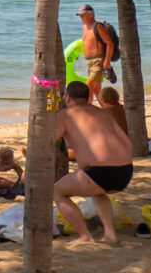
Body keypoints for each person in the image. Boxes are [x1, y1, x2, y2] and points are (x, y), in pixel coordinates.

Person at [53, 81, 134, 244]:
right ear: (87, 96)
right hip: (126, 171)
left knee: (56, 191)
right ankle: (110, 235)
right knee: (97, 192)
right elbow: (128, 142)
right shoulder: (101, 112)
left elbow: (49, 139)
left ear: (67, 98)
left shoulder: (66, 114)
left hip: (99, 172)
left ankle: (85, 236)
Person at [69, 4, 120, 85]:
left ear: (90, 14)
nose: (81, 17)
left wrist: (107, 62)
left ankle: (109, 70)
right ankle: (101, 98)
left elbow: (109, 43)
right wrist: (76, 55)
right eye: (80, 16)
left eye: (82, 15)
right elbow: (86, 42)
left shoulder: (97, 26)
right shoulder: (84, 27)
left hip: (98, 61)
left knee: (88, 87)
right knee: (96, 90)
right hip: (89, 62)